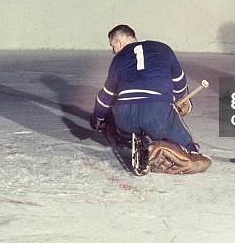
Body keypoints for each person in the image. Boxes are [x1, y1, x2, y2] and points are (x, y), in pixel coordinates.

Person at [90, 25, 211, 175]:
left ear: (119, 42)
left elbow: (105, 96)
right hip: (155, 112)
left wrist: (97, 118)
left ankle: (133, 143)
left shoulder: (118, 59)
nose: (113, 50)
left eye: (112, 46)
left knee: (120, 121)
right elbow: (179, 82)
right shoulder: (163, 49)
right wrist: (182, 101)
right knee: (175, 130)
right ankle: (190, 151)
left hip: (124, 116)